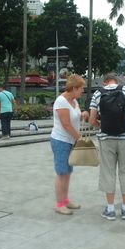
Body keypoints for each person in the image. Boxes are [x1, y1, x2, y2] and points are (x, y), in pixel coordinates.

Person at [89, 74, 125, 221]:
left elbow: (92, 119)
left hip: (106, 139)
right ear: (116, 81)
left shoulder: (98, 93)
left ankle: (110, 209)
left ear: (105, 82)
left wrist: (101, 126)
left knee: (108, 172)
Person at [49, 75, 87, 215]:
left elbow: (74, 116)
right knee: (61, 172)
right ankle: (59, 204)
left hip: (70, 141)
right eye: (81, 88)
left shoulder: (74, 101)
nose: (82, 91)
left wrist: (83, 114)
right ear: (74, 88)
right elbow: (65, 124)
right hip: (61, 141)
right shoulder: (61, 101)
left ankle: (65, 200)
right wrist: (79, 138)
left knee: (68, 172)